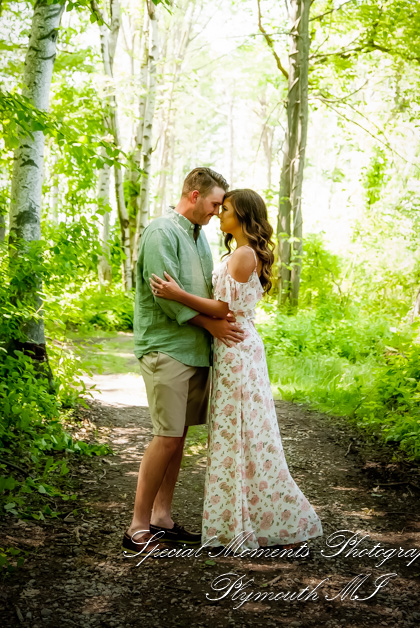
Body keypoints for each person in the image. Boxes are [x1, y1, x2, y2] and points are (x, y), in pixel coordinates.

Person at [150, 188, 323, 551]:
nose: (219, 214)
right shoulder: (236, 252)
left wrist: (177, 294)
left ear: (242, 216)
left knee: (246, 435)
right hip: (230, 349)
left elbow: (222, 310)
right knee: (235, 435)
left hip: (238, 349)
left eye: (225, 209)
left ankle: (275, 520)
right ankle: (241, 522)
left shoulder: (244, 255)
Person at [123, 167, 246, 554]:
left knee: (177, 439)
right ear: (194, 195)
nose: (216, 213)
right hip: (166, 348)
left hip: (195, 351)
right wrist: (213, 325)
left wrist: (218, 322)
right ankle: (137, 526)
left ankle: (162, 517)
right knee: (165, 437)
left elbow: (201, 291)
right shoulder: (162, 231)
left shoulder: (199, 238)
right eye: (213, 204)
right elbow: (163, 295)